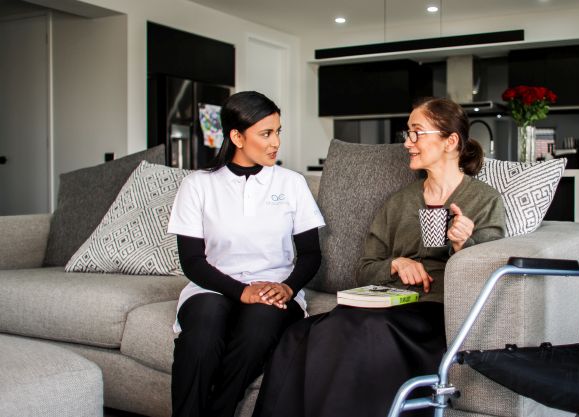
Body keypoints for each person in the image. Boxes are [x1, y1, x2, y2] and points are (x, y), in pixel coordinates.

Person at [252, 97, 506, 417]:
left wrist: (463, 245)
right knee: (301, 333)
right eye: (407, 133)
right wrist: (396, 265)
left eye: (416, 133)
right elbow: (365, 270)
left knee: (366, 331)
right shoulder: (399, 202)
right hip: (386, 302)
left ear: (450, 141)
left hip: (434, 312)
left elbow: (490, 277)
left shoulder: (483, 200)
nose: (408, 143)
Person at [168, 91, 325, 417]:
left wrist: (287, 288)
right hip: (212, 287)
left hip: (274, 286)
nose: (276, 142)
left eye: (278, 131)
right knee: (204, 327)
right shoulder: (197, 185)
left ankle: (218, 411)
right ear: (237, 137)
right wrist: (242, 292)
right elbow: (192, 261)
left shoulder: (292, 184)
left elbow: (311, 253)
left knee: (259, 325)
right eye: (266, 133)